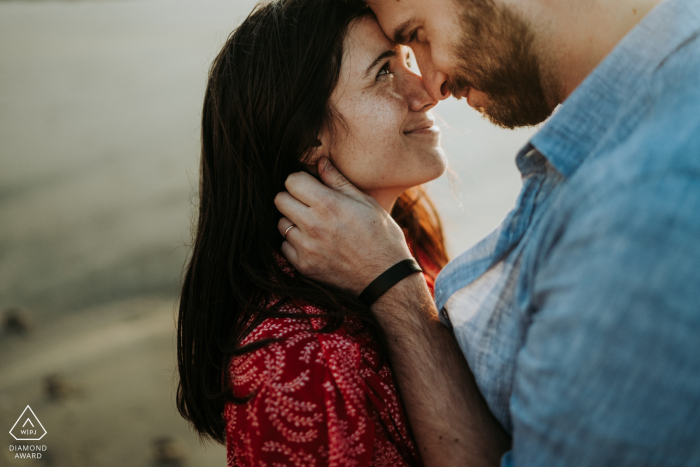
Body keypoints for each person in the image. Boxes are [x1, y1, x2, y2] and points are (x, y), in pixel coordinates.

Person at [274, 0, 700, 465]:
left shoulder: (643, 202)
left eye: (419, 34)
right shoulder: (646, 117)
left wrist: (395, 289)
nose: (432, 84)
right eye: (389, 64)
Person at [175, 0, 459, 465]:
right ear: (307, 138)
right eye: (384, 73)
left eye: (407, 60)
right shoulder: (299, 363)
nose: (428, 90)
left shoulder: (410, 229)